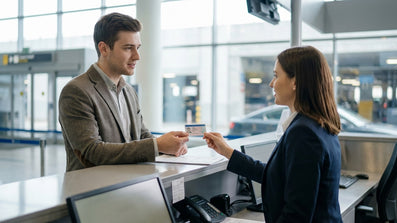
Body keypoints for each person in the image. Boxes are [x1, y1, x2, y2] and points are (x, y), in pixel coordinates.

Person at [204, 46, 342, 222]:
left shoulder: (303, 132)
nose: (271, 83)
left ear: (295, 82)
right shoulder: (317, 124)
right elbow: (277, 176)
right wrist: (227, 152)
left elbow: (296, 215)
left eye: (276, 75)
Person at [59, 12, 189, 172]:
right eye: (128, 48)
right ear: (104, 48)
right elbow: (92, 152)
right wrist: (157, 145)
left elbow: (142, 136)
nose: (137, 56)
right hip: (92, 192)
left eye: (138, 48)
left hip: (127, 185)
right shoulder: (76, 91)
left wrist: (169, 145)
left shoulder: (128, 91)